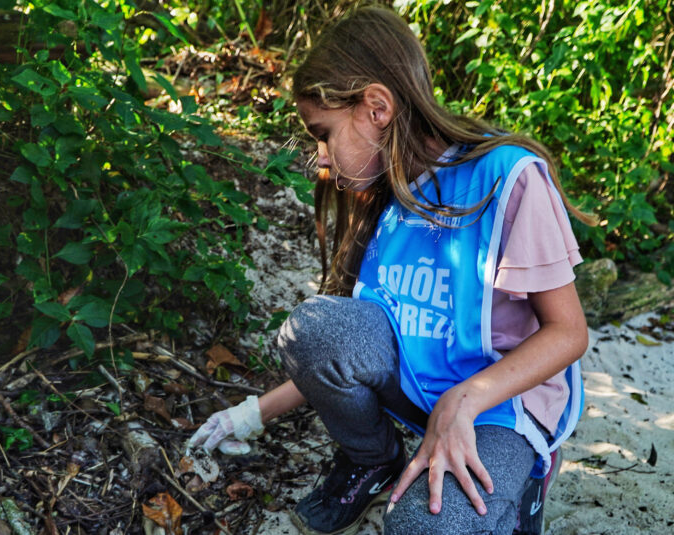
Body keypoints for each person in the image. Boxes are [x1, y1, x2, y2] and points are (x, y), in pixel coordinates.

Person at [187, 6, 592, 535]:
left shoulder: (507, 177)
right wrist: (248, 415)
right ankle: (373, 460)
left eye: (324, 134)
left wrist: (463, 400)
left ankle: (526, 479)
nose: (321, 158)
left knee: (423, 527)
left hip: (500, 407)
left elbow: (569, 333)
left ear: (376, 108)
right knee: (311, 327)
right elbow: (340, 346)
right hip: (426, 392)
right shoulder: (387, 190)